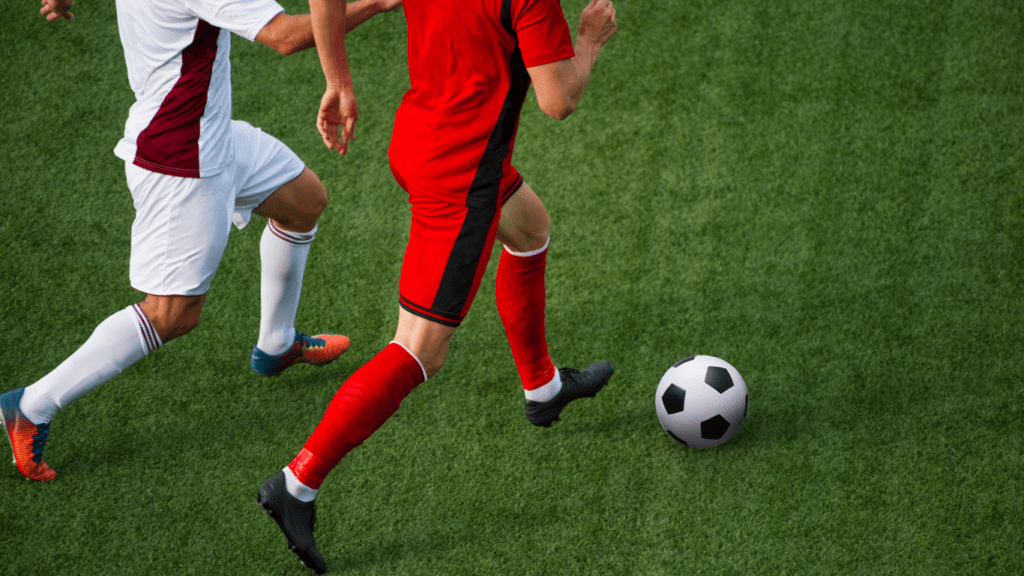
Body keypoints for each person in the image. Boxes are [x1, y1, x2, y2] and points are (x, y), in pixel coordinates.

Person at [255, 0, 618, 572]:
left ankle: (543, 389)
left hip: (423, 136)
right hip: (459, 174)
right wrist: (590, 39)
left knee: (530, 228)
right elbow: (558, 100)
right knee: (418, 351)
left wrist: (338, 79)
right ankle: (296, 484)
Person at [1, 0, 400, 482]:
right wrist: (376, 4)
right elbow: (286, 36)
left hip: (210, 134)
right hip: (181, 158)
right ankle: (30, 405)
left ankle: (275, 344)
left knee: (304, 202)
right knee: (172, 313)